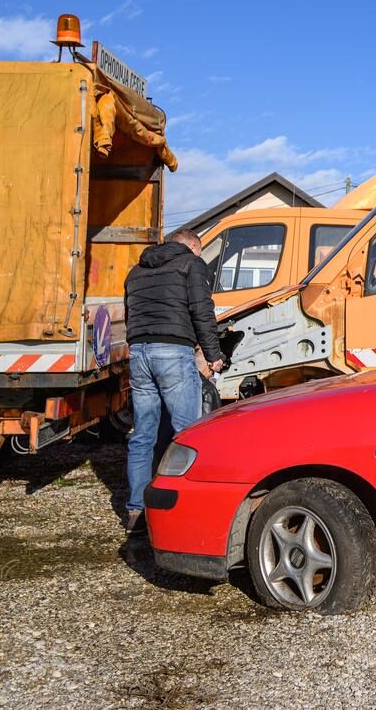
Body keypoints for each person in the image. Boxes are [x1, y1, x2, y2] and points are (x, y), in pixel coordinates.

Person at [123, 228, 224, 532]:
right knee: (189, 433)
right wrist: (212, 353)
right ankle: (186, 511)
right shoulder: (191, 265)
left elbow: (130, 314)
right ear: (193, 246)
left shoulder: (136, 271)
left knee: (143, 434)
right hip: (172, 353)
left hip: (139, 352)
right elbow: (202, 311)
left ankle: (136, 512)